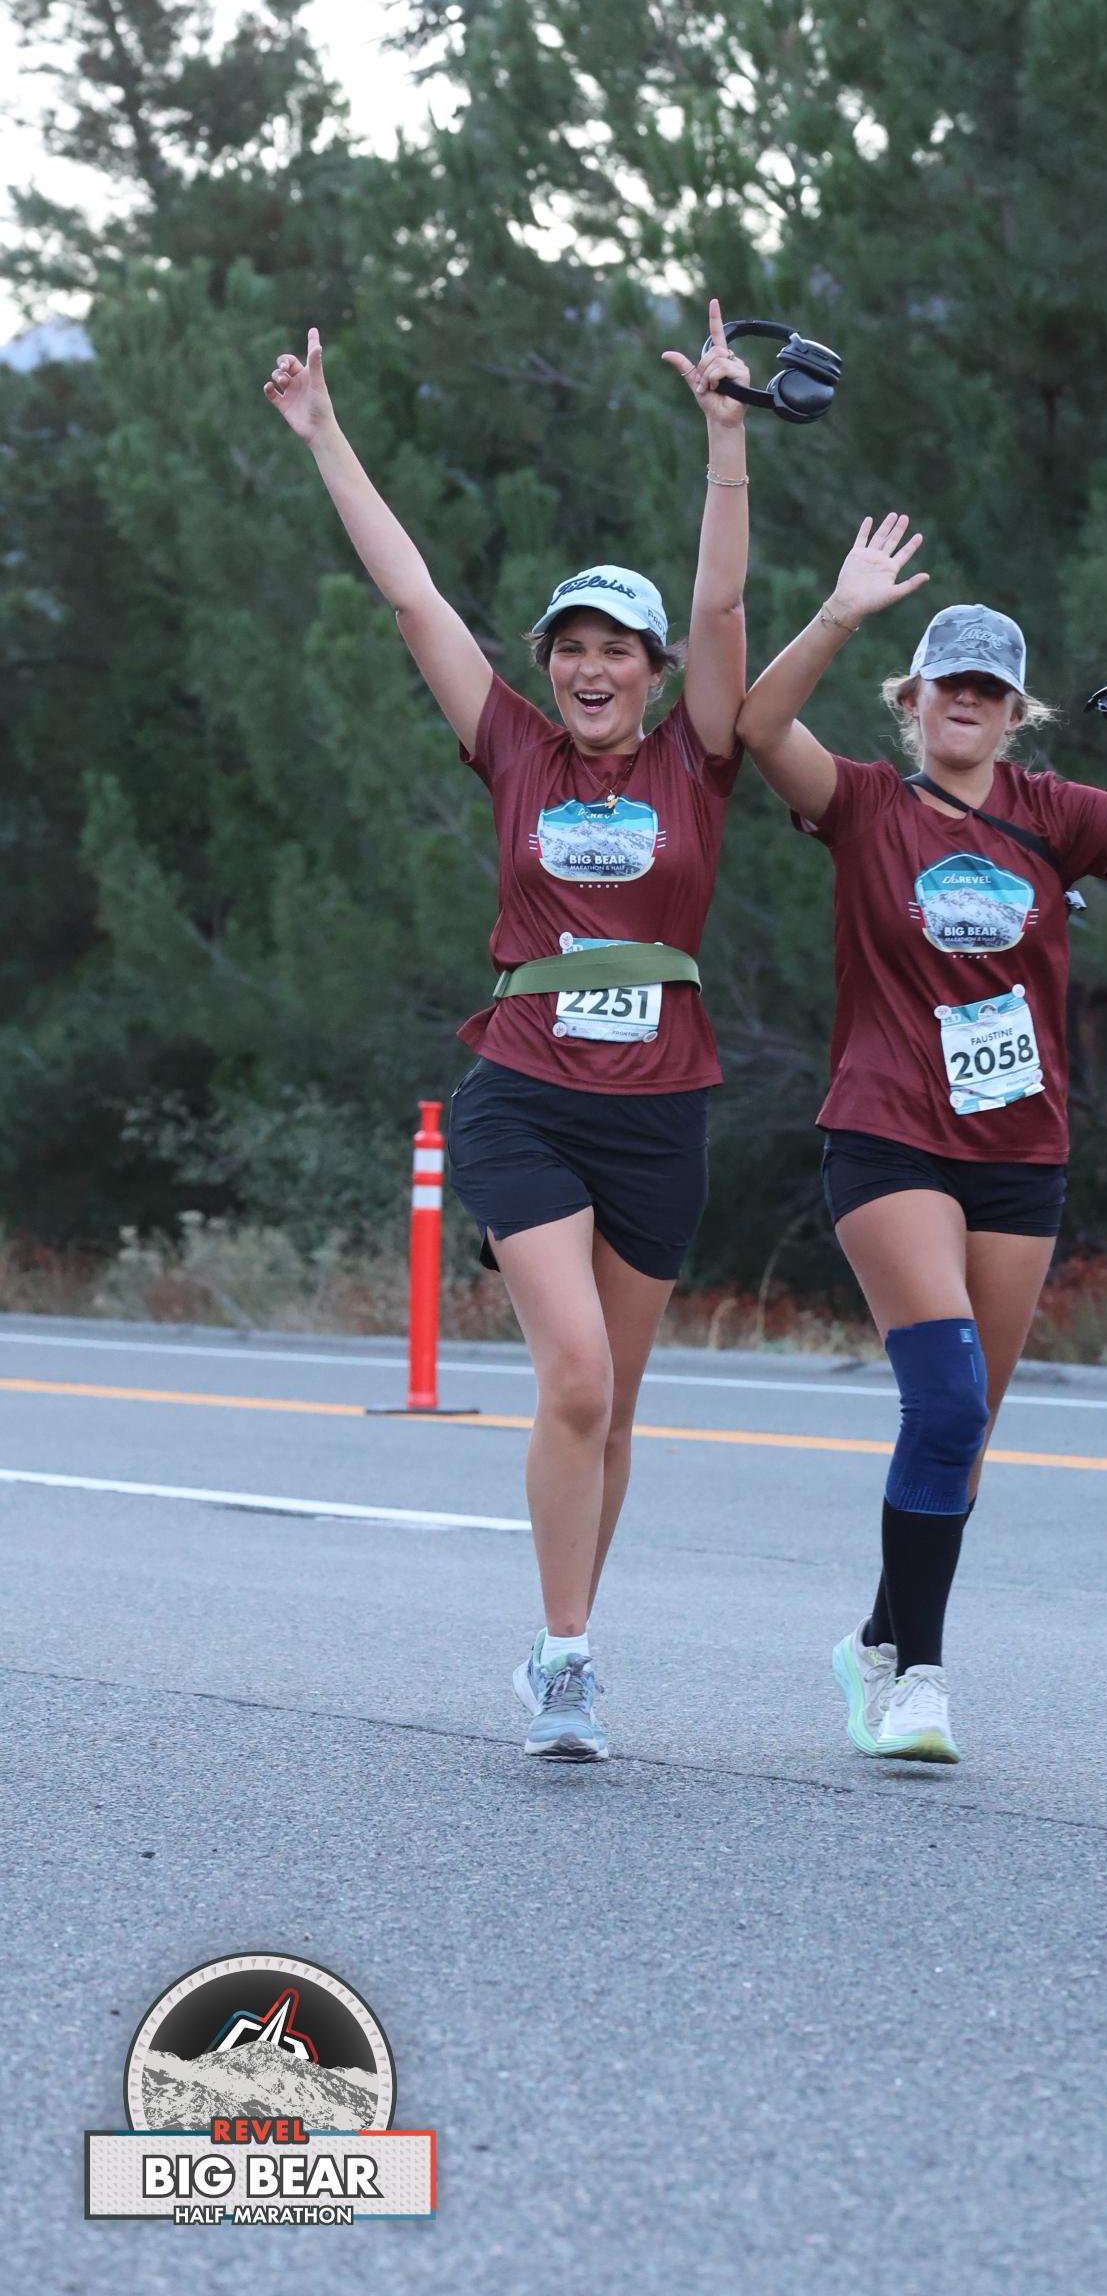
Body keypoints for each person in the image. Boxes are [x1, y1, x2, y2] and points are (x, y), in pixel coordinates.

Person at [264, 300, 754, 1761]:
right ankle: (568, 1661)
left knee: (617, 1409)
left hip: (661, 1105)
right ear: (550, 666)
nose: (591, 668)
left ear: (654, 669)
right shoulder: (517, 750)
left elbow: (725, 610)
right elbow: (414, 597)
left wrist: (726, 439)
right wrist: (325, 436)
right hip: (524, 1094)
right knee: (576, 1378)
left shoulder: (699, 758)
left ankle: (564, 1641)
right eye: (570, 648)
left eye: (618, 649)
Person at [737, 516, 1107, 1762]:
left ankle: (875, 1637)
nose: (964, 701)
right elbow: (756, 728)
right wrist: (841, 611)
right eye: (945, 684)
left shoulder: (1053, 812)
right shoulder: (865, 806)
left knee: (961, 1431)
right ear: (910, 699)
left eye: (987, 688)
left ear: (1015, 712)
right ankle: (916, 1679)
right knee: (947, 1396)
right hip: (888, 1141)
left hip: (1019, 1153)